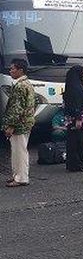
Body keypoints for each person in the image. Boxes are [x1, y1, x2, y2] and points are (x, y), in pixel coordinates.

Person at [3, 59, 36, 187]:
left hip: (19, 124)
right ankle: (17, 175)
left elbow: (17, 108)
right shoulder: (27, 83)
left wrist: (10, 125)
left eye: (12, 69)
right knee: (20, 149)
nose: (10, 71)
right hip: (26, 122)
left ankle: (21, 178)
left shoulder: (20, 86)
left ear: (20, 70)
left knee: (19, 151)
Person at [63, 65, 83, 173]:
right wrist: (78, 118)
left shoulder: (79, 86)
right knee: (75, 142)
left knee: (81, 142)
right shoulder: (74, 89)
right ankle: (74, 164)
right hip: (78, 119)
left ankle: (79, 162)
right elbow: (76, 104)